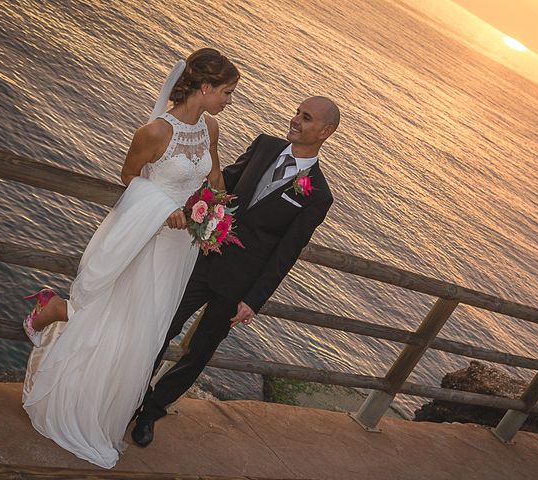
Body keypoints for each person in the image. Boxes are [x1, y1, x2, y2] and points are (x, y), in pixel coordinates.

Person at [20, 47, 240, 469]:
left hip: (179, 246)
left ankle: (98, 406)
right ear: (206, 88)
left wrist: (216, 213)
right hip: (144, 233)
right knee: (106, 311)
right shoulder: (155, 132)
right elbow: (128, 177)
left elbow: (214, 177)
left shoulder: (210, 127)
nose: (229, 101)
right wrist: (165, 207)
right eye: (227, 92)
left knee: (142, 329)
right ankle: (50, 310)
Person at [131, 95, 340, 447]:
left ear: (325, 131)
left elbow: (286, 253)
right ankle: (132, 395)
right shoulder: (264, 145)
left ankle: (152, 411)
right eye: (296, 112)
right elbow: (224, 182)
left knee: (198, 352)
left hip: (240, 285)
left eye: (305, 118)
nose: (294, 120)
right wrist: (178, 197)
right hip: (204, 260)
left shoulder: (318, 194)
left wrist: (254, 300)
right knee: (162, 327)